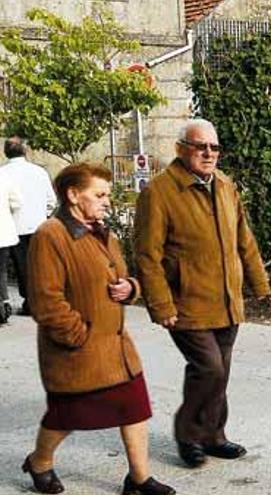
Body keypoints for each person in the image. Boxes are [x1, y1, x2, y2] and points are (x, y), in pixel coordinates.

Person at [24, 163, 174, 495]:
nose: (107, 201)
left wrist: (130, 287)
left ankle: (138, 479)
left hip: (118, 349)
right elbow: (45, 300)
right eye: (100, 194)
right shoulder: (51, 234)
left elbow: (121, 275)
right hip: (77, 351)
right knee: (67, 417)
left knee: (135, 408)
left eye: (108, 194)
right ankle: (40, 461)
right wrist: (79, 335)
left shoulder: (103, 232)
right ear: (73, 195)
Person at [134, 119, 271, 468]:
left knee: (220, 370)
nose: (208, 153)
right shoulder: (160, 191)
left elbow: (244, 238)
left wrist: (259, 283)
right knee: (208, 368)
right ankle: (188, 435)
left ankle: (213, 435)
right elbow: (147, 255)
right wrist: (160, 303)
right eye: (200, 146)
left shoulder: (225, 185)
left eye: (214, 147)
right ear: (181, 149)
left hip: (226, 299)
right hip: (186, 302)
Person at [0, 137, 57, 316]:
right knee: (37, 265)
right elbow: (51, 200)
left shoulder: (3, 172)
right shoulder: (39, 172)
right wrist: (44, 214)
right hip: (37, 225)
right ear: (25, 151)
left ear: (5, 152)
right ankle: (35, 300)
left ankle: (12, 301)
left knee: (17, 266)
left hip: (11, 226)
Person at [0, 179, 21, 324]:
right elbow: (17, 203)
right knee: (1, 270)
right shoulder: (3, 177)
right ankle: (4, 305)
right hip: (3, 233)